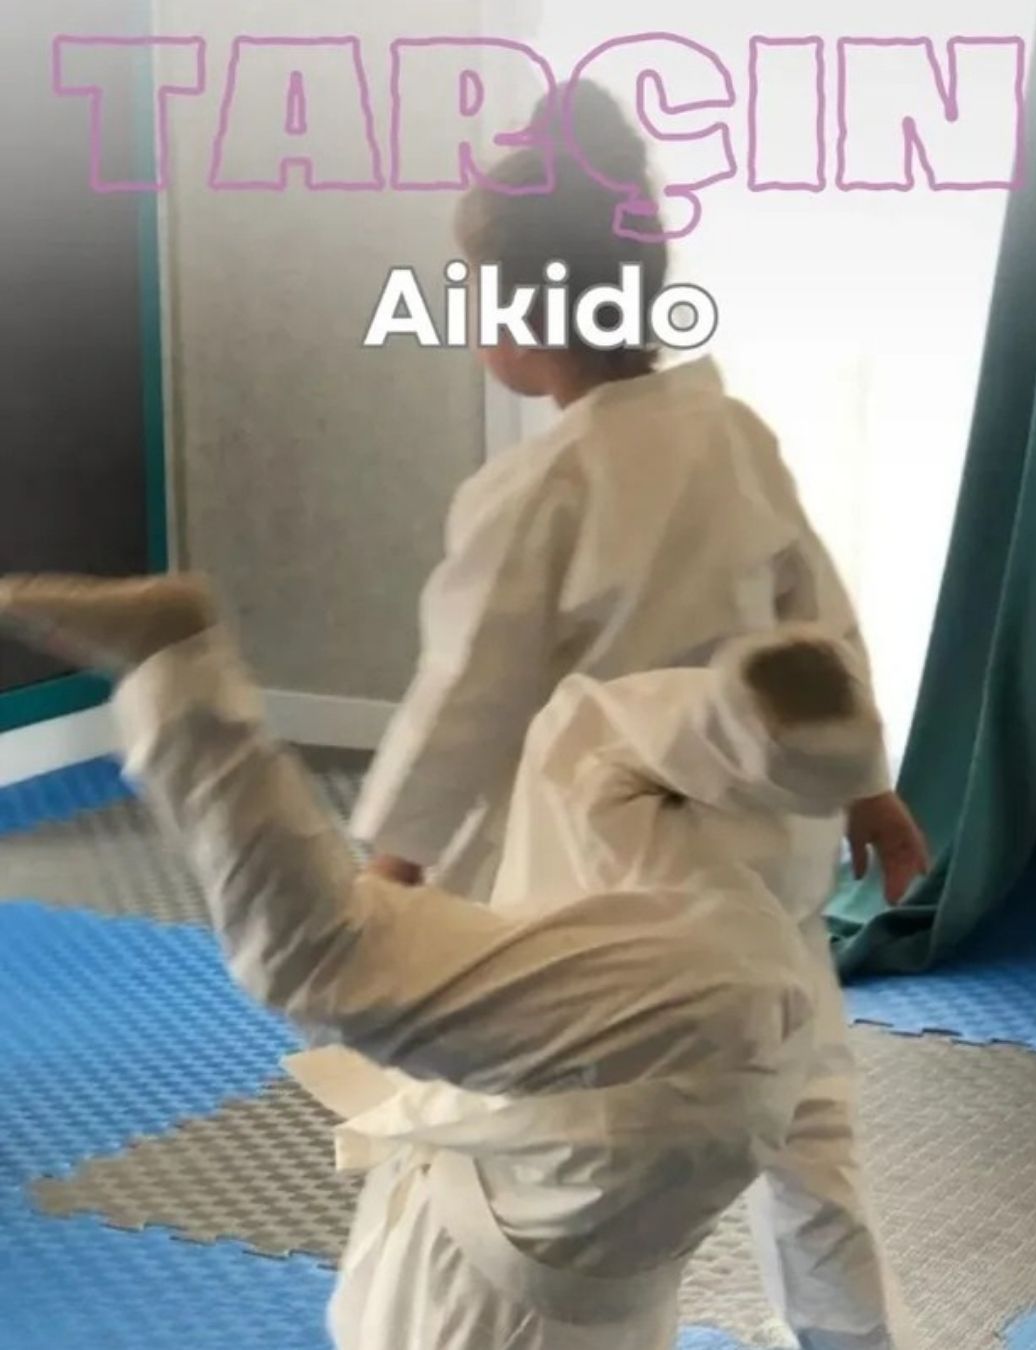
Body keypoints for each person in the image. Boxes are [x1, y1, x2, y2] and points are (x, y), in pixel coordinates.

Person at [351, 77, 926, 1347]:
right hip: (770, 886)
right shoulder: (736, 437)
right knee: (813, 1143)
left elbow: (464, 699)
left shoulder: (538, 488)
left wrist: (389, 869)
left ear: (525, 313)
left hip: (619, 899)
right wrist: (869, 786)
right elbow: (822, 631)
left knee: (552, 1149)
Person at [2, 572, 889, 1350]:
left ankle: (178, 668)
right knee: (333, 964)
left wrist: (836, 767)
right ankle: (176, 668)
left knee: (333, 964)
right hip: (630, 1088)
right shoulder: (681, 891)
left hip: (610, 1137)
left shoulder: (699, 934)